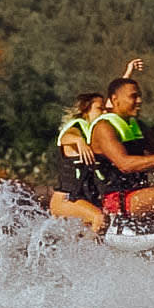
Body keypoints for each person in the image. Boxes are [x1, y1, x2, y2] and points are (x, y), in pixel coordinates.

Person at [89, 76, 154, 244]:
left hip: (137, 194)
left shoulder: (135, 125)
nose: (139, 101)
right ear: (114, 100)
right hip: (116, 199)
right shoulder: (104, 128)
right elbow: (125, 165)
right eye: (133, 96)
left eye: (139, 96)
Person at [48, 91, 107, 233]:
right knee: (99, 218)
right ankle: (91, 255)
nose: (105, 112)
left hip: (82, 199)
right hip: (65, 200)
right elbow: (66, 138)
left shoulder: (94, 131)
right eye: (100, 109)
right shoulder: (77, 128)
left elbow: (119, 99)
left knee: (87, 233)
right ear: (86, 111)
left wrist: (128, 73)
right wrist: (78, 140)